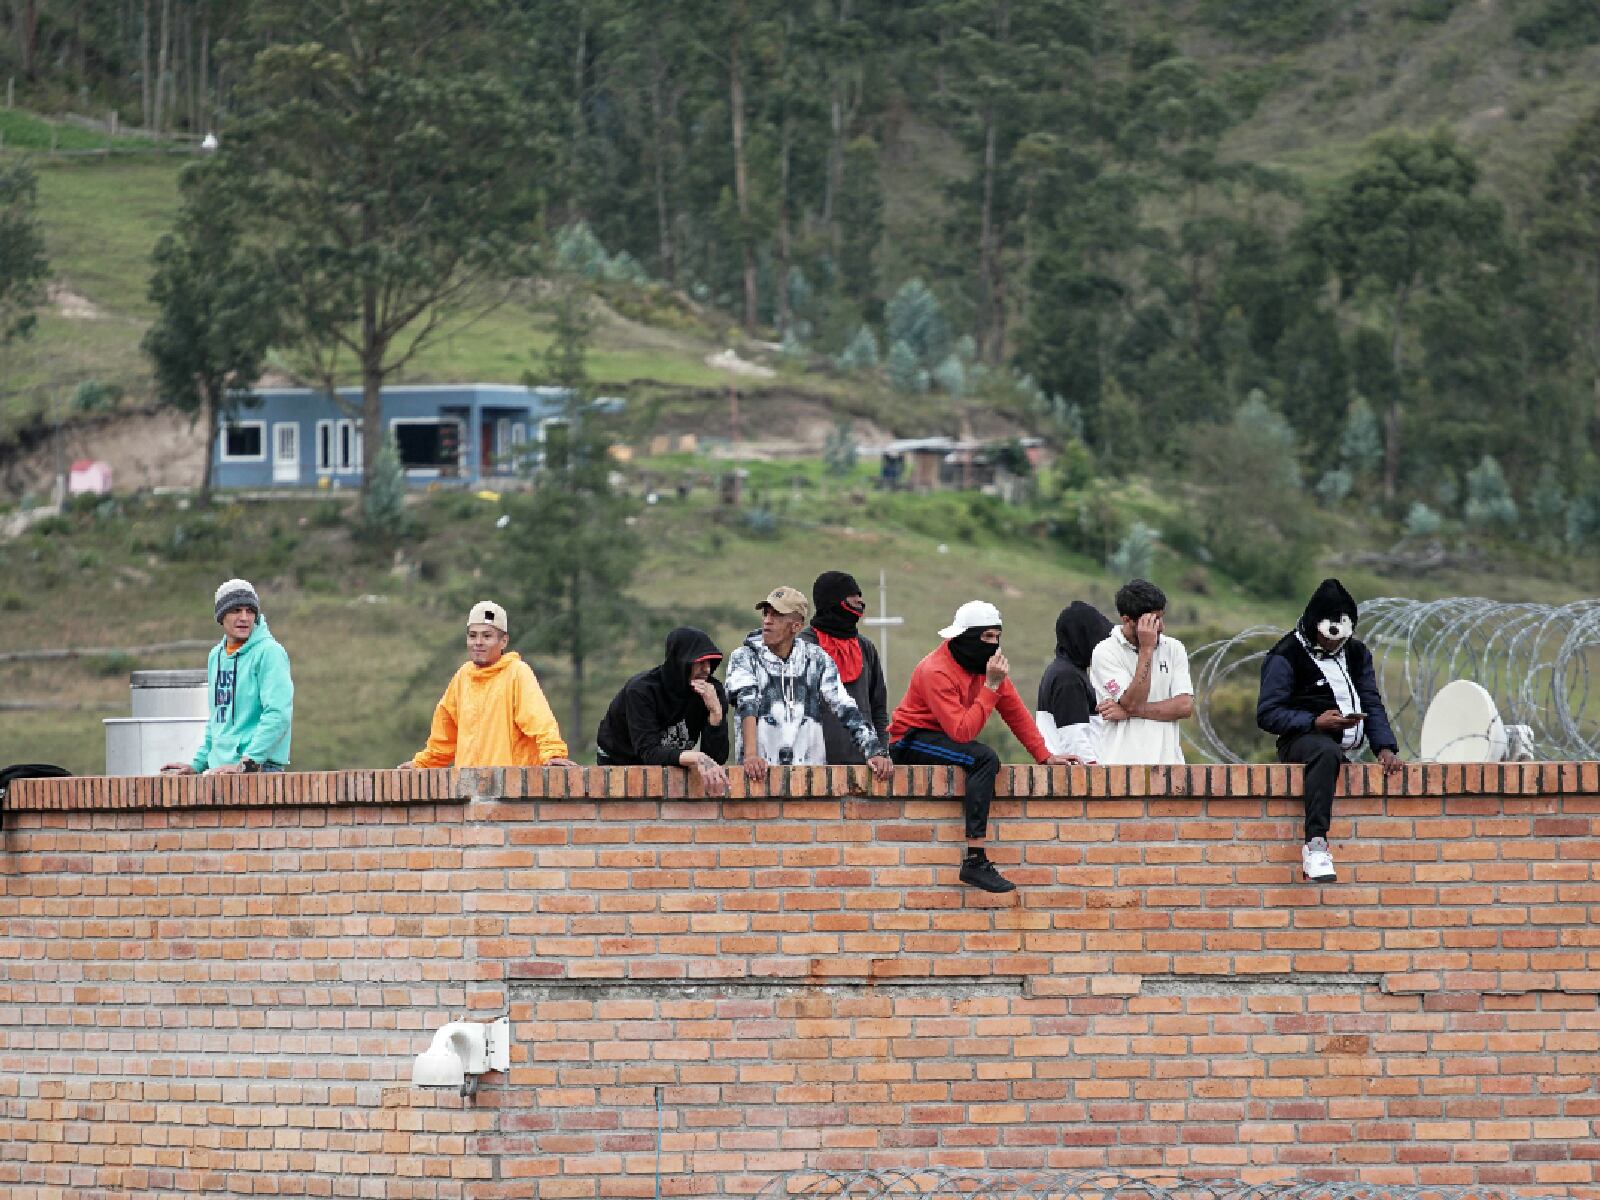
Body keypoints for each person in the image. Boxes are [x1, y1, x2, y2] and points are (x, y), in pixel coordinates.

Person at [888, 600, 1081, 894]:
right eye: (987, 636)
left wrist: (1045, 756)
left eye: (997, 636)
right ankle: (975, 859)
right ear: (966, 637)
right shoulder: (935, 670)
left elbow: (1015, 712)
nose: (994, 644)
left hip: (943, 737)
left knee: (983, 757)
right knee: (983, 759)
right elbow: (962, 733)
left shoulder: (985, 668)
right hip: (910, 739)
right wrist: (990, 687)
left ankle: (976, 859)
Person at [1257, 577, 1403, 883]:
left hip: (1340, 749)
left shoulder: (1356, 653)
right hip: (1301, 740)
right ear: (1314, 626)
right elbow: (1268, 714)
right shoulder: (1285, 654)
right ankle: (1316, 846)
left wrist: (1385, 747)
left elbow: (1371, 700)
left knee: (1332, 755)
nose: (1335, 644)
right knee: (1324, 751)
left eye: (1342, 638)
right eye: (1329, 637)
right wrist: (1314, 722)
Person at [725, 585, 894, 782]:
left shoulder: (816, 658)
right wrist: (751, 756)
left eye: (777, 615)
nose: (767, 620)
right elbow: (747, 702)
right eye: (766, 613)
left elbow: (844, 705)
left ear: (796, 626)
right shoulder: (744, 656)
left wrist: (873, 750)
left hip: (809, 779)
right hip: (759, 776)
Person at [400, 601, 576, 769]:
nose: (478, 642)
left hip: (510, 784)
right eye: (472, 636)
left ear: (504, 641)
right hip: (468, 785)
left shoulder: (517, 673)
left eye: (487, 636)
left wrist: (554, 754)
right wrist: (422, 764)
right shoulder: (462, 677)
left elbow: (539, 720)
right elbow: (444, 737)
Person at [163, 578, 294, 775]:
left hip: (260, 770)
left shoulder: (270, 652)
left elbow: (278, 714)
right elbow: (217, 720)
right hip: (221, 771)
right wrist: (197, 765)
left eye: (250, 611)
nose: (244, 618)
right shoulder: (215, 656)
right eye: (236, 610)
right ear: (221, 616)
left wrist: (247, 764)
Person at [595, 627, 730, 796]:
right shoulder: (642, 690)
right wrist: (696, 757)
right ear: (680, 661)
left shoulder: (711, 692)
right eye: (700, 662)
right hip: (619, 760)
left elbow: (716, 758)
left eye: (710, 662)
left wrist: (716, 714)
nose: (707, 669)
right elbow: (649, 752)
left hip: (670, 760)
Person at [1090, 579, 1193, 765]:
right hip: (1121, 764)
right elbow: (1132, 702)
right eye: (1152, 621)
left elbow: (1184, 706)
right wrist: (1147, 649)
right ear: (1127, 620)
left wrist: (1130, 712)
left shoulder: (1174, 648)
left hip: (1168, 764)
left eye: (1161, 618)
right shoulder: (1105, 652)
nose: (1161, 627)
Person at [797, 570, 889, 765]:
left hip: (865, 764)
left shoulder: (866, 647)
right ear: (832, 600)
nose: (860, 601)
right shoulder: (802, 647)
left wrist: (881, 751)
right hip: (813, 766)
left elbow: (879, 709)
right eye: (853, 595)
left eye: (860, 595)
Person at [1036, 600, 1114, 763]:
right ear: (1083, 638)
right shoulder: (1068, 678)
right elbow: (1074, 738)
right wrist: (1093, 772)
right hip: (1077, 774)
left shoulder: (1064, 671)